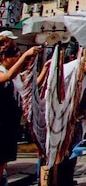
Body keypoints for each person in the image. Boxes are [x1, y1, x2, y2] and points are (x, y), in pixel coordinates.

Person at [0, 38, 41, 183]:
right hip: (1, 125)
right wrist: (25, 56)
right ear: (4, 57)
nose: (17, 59)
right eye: (15, 56)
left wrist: (46, 69)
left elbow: (29, 87)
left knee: (3, 162)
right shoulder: (2, 73)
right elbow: (8, 76)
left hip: (8, 126)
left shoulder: (16, 77)